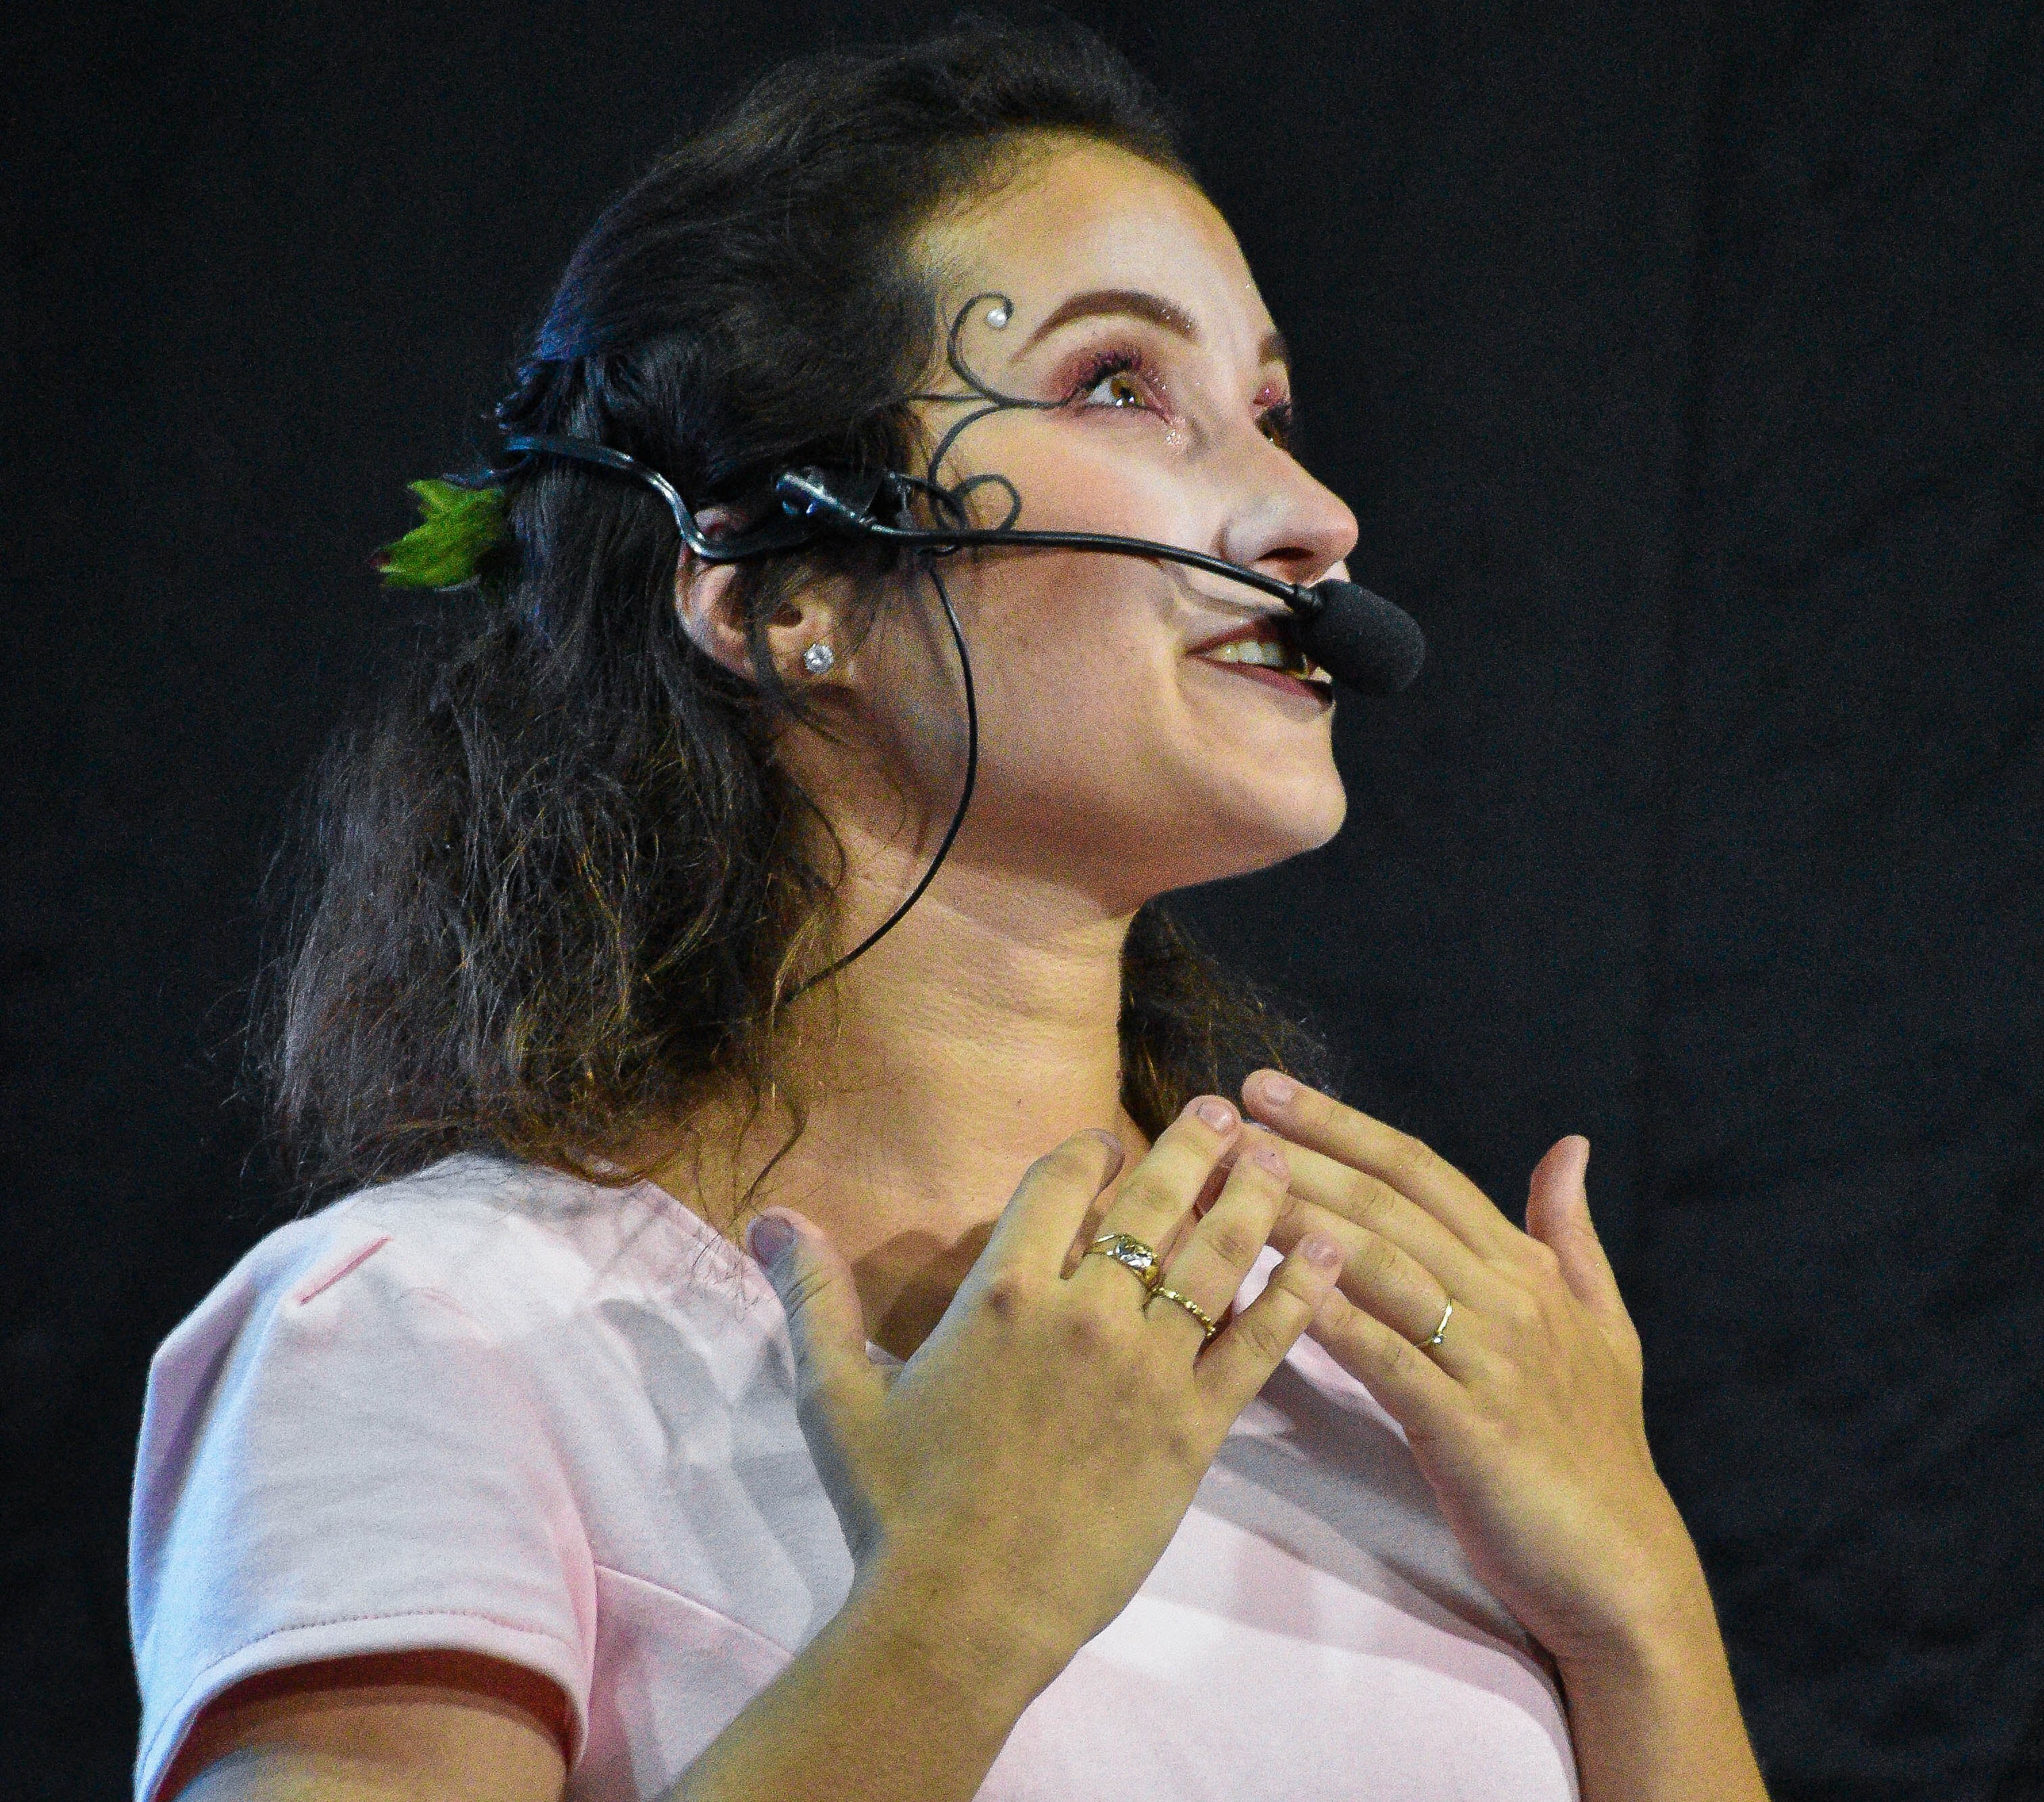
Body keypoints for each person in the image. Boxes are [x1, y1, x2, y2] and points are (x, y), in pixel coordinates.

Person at [128, 22, 1768, 1802]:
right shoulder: (437, 1332)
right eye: (1119, 384)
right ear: (778, 592)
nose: (1313, 518)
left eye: (1273, 413)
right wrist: (961, 1612)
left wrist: (1641, 1609)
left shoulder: (1391, 1387)